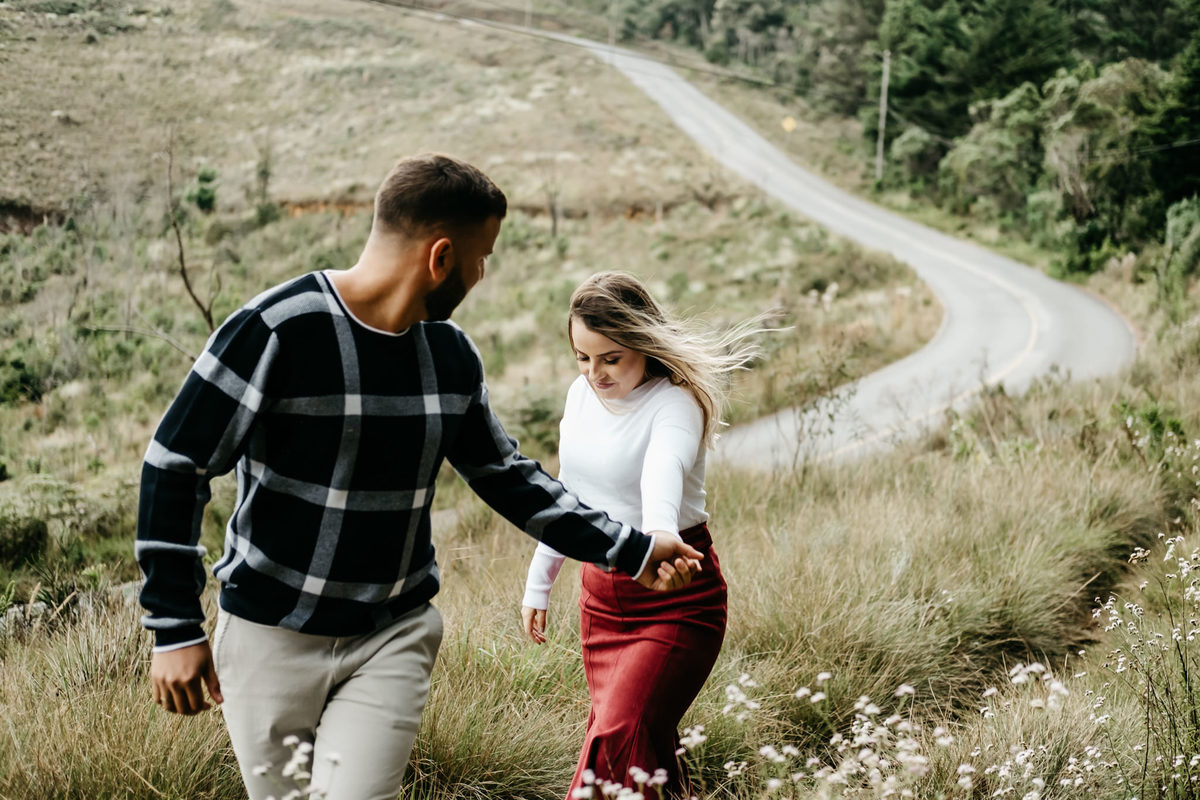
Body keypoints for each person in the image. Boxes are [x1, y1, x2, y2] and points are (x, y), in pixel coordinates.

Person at [135, 154, 705, 800]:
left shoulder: (451, 358)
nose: (482, 274)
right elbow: (174, 463)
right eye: (481, 256)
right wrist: (174, 626)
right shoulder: (277, 331)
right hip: (269, 641)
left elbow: (511, 479)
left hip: (391, 638)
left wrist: (631, 549)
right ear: (440, 258)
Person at [521, 271, 759, 799]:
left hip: (675, 596)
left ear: (643, 345)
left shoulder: (675, 402)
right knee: (643, 748)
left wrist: (656, 533)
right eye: (582, 358)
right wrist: (540, 582)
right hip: (600, 604)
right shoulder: (580, 397)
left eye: (611, 358)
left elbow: (663, 471)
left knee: (619, 737)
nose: (595, 373)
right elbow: (569, 495)